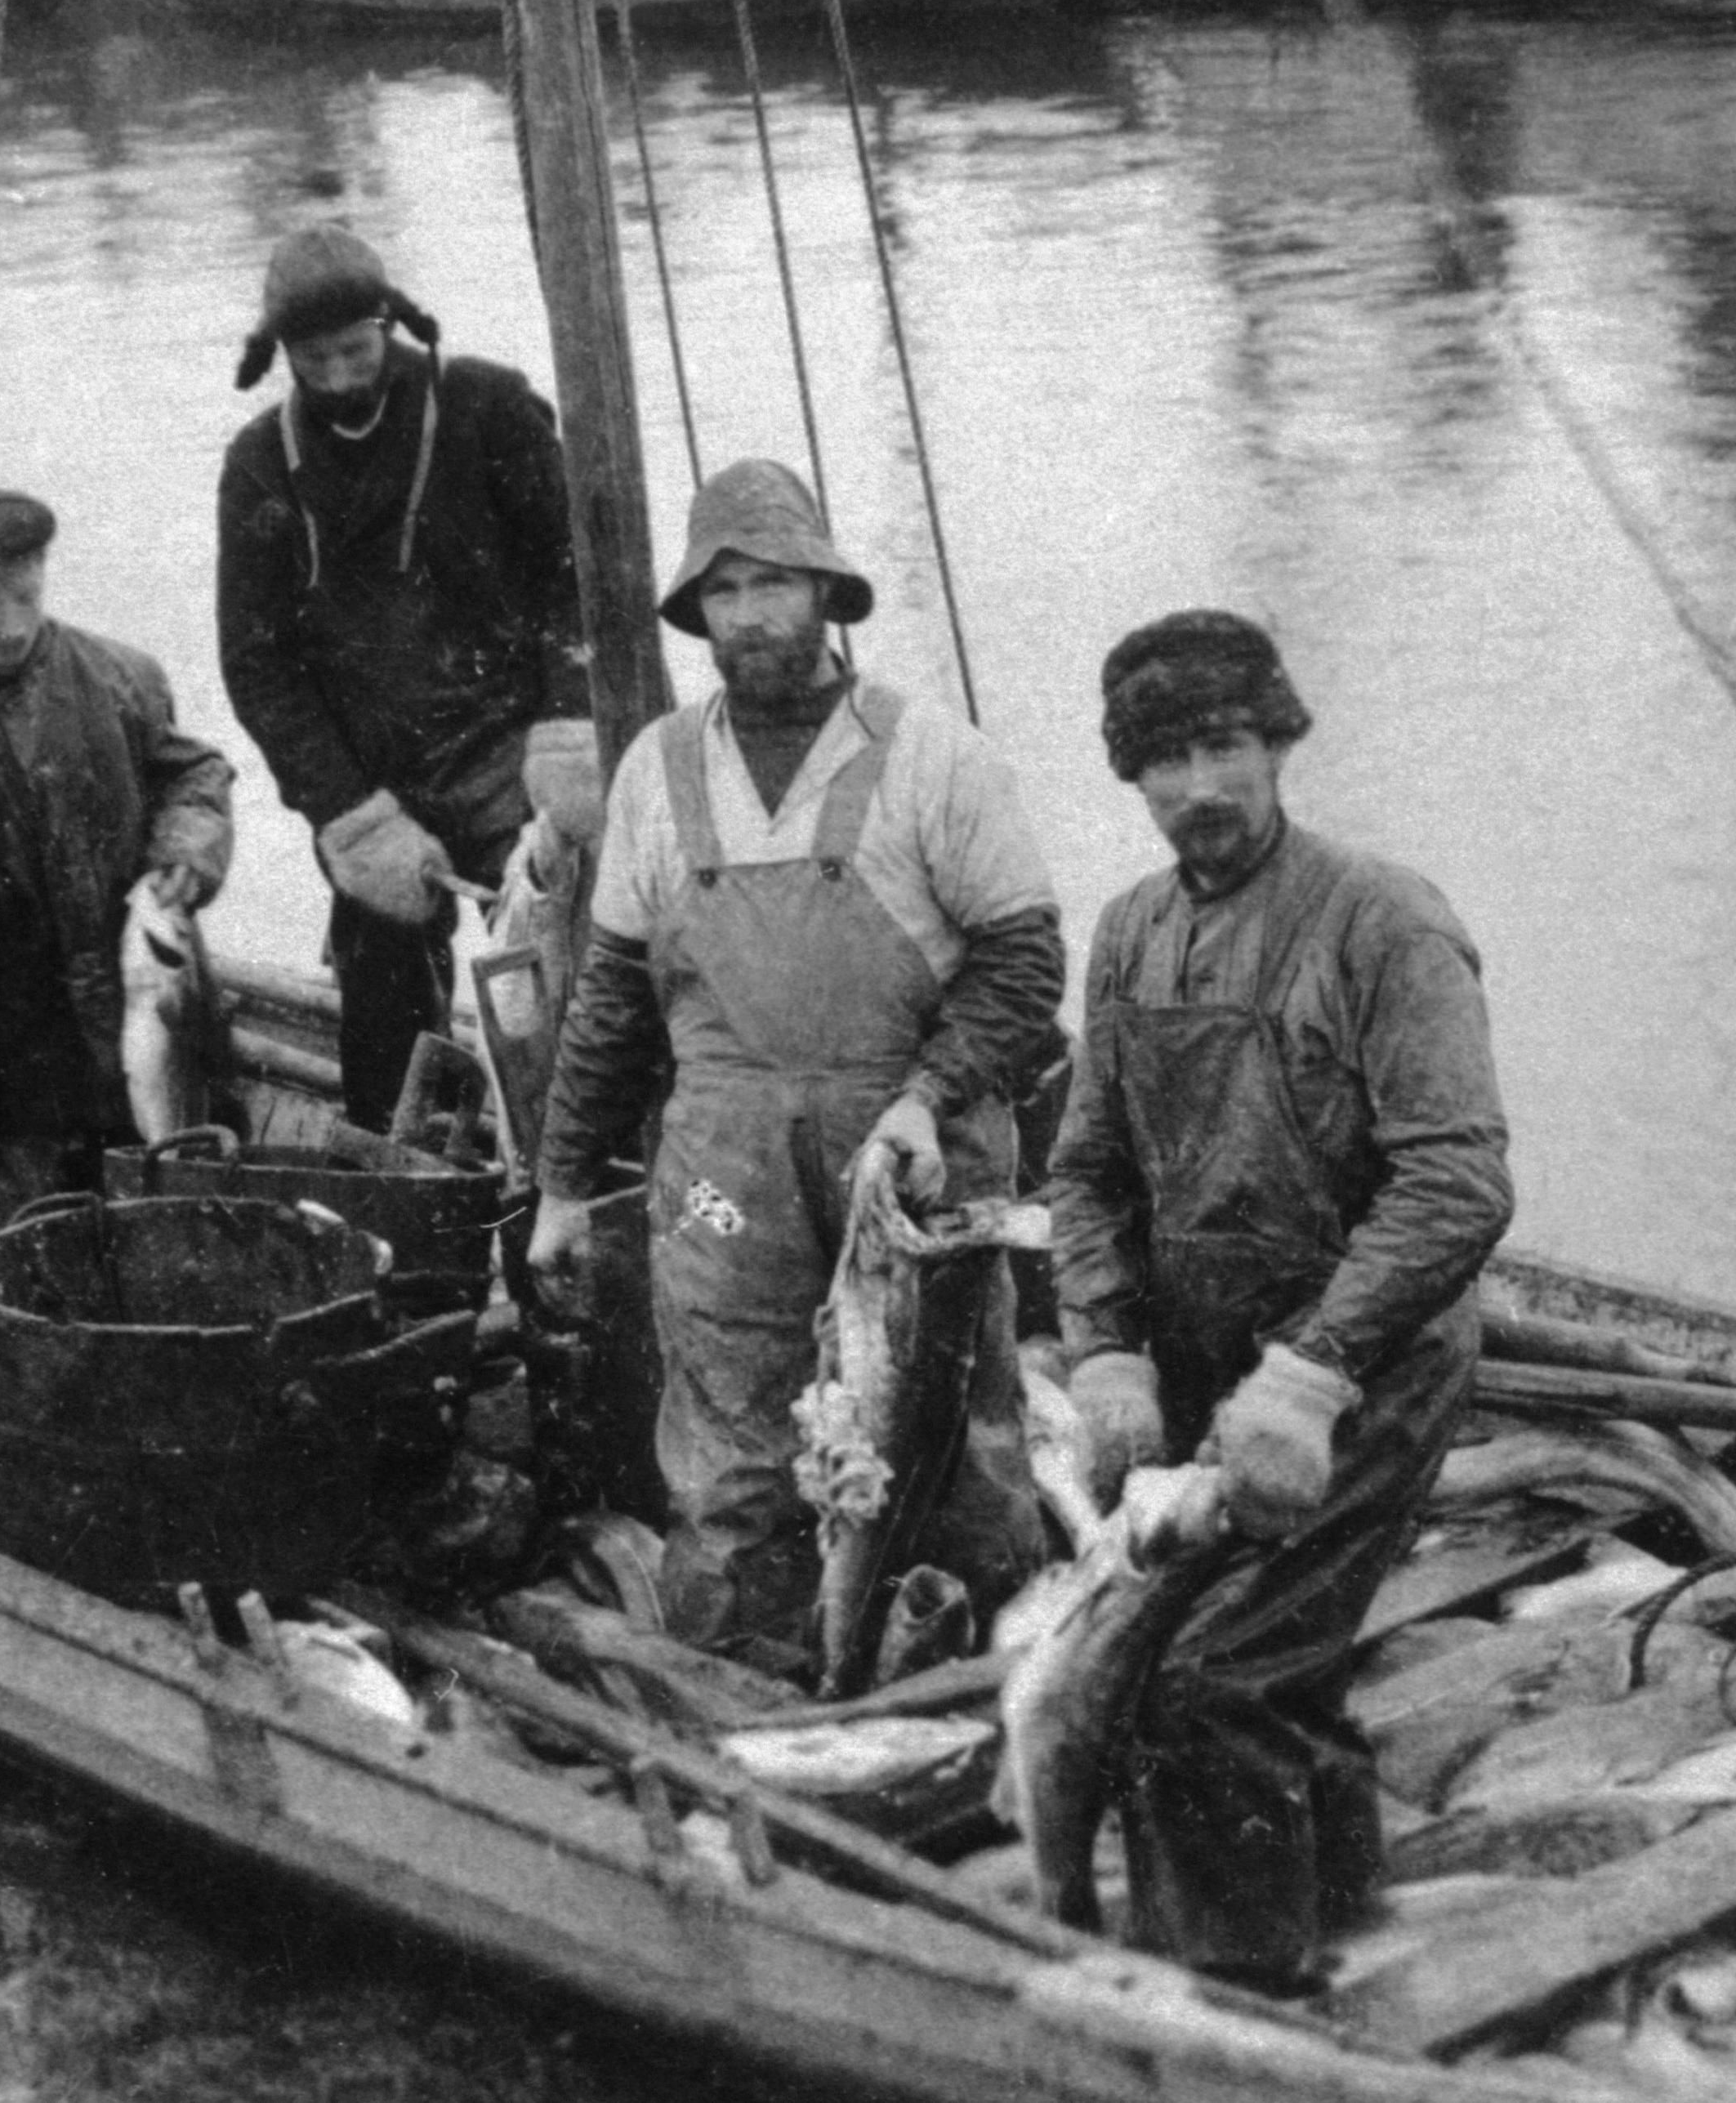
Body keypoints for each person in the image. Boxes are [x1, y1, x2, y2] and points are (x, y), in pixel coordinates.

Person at [1045, 610, 1513, 1997]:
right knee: (1228, 1670)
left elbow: (1456, 1183)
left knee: (1209, 1677)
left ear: (1277, 743)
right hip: (1198, 1371)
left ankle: (1236, 1997)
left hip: (1362, 1374)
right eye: (1166, 758)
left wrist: (1309, 1371)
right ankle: (1338, 1914)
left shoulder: (1383, 920)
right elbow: (1084, 1168)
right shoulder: (1128, 932)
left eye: (1225, 743)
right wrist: (1105, 1343)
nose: (1201, 783)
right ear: (1129, 777)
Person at [529, 459, 1063, 1667]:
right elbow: (612, 999)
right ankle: (747, 1685)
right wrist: (563, 1187)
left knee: (955, 1432)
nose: (753, 613)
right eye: (725, 590)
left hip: (914, 1164)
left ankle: (977, 1675)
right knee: (727, 1439)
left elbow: (1026, 965)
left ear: (827, 593)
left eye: (776, 583)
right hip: (724, 1177)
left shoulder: (935, 757)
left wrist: (930, 1100)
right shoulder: (656, 773)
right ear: (698, 613)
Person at [216, 222, 598, 1132]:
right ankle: (410, 1210)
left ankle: (578, 1164)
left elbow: (574, 574)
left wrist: (572, 725)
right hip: (378, 781)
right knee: (382, 1019)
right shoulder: (261, 465)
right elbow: (257, 663)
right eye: (316, 359)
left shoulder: (487, 407)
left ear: (390, 323)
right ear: (284, 357)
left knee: (569, 994)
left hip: (516, 757)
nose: (342, 375)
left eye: (357, 349)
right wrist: (348, 810)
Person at [0, 488, 236, 1239]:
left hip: (145, 989)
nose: (10, 624)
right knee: (31, 1232)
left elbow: (195, 775)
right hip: (7, 1038)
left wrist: (187, 853)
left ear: (44, 573)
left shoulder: (123, 676)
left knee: (183, 1189)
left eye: (26, 595)